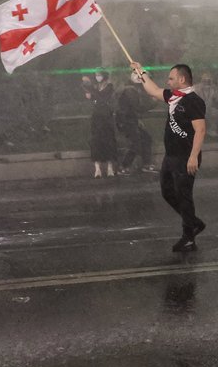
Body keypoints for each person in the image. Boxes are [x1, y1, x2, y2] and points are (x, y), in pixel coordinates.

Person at [129, 61, 207, 252]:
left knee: (184, 195)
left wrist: (193, 157)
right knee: (167, 192)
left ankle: (188, 237)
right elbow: (153, 90)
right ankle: (193, 222)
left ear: (182, 79)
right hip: (171, 156)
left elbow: (200, 130)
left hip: (185, 156)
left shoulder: (193, 101)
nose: (168, 81)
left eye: (171, 78)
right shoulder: (173, 97)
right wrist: (142, 73)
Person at [82, 69, 118, 177]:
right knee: (96, 140)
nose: (97, 77)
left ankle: (109, 167)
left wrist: (91, 90)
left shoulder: (109, 86)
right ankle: (97, 168)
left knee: (108, 140)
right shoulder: (96, 87)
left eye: (99, 75)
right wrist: (88, 87)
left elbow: (101, 97)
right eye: (96, 75)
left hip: (106, 116)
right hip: (97, 117)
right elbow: (93, 96)